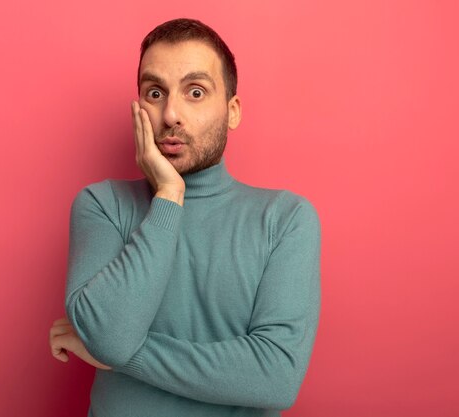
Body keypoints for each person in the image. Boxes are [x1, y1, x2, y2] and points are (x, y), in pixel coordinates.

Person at [49, 18, 321, 417]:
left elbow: (276, 377)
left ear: (232, 111)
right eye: (154, 92)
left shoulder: (285, 219)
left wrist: (122, 355)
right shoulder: (102, 204)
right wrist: (170, 194)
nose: (171, 113)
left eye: (195, 92)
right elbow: (111, 335)